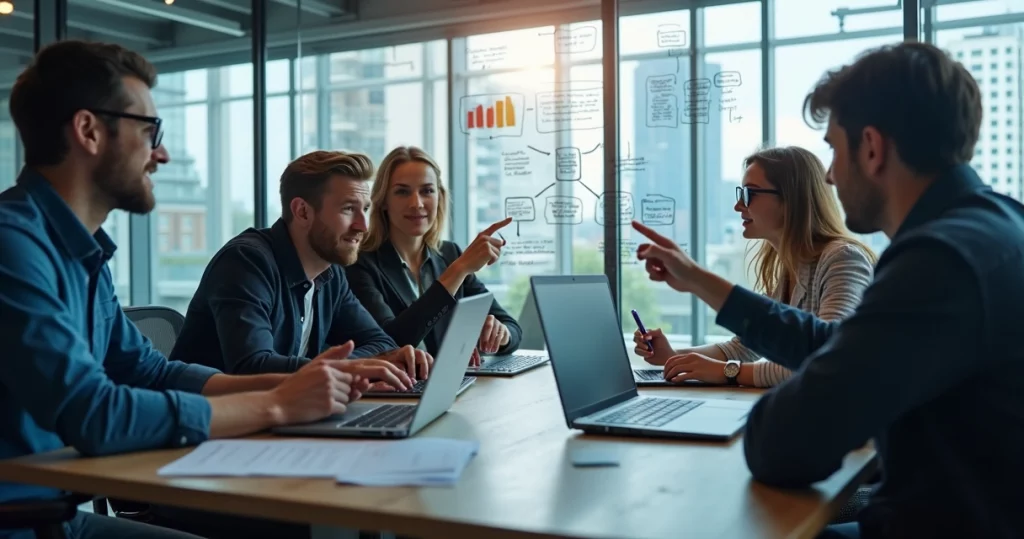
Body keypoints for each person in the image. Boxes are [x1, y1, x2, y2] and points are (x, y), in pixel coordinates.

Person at [631, 41, 1024, 539]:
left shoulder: (937, 263)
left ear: (873, 148)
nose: (832, 174)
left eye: (835, 150)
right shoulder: (998, 226)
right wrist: (705, 285)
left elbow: (784, 445)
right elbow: (842, 347)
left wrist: (735, 376)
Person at [0, 40, 391, 539]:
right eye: (149, 130)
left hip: (58, 517)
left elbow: (148, 370)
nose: (160, 152)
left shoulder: (83, 253)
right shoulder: (13, 246)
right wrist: (277, 405)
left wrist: (295, 386)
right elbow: (95, 414)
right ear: (88, 131)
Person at [170, 150, 429, 385]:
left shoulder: (330, 273)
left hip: (280, 419)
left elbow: (381, 343)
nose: (363, 225)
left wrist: (358, 365)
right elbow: (251, 366)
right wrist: (355, 367)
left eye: (365, 209)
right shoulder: (245, 262)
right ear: (302, 212)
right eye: (349, 209)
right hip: (210, 427)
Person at [632, 146, 875, 387]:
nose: (738, 205)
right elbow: (744, 347)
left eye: (749, 194)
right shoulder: (789, 267)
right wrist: (673, 356)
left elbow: (825, 358)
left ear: (791, 198)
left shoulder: (842, 258)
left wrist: (728, 372)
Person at [345, 146, 521, 367]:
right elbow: (390, 343)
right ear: (383, 202)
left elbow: (512, 327)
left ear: (440, 197)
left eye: (427, 191)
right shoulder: (359, 262)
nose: (417, 203)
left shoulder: (449, 253)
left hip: (447, 386)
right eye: (402, 192)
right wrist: (458, 270)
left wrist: (500, 334)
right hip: (396, 393)